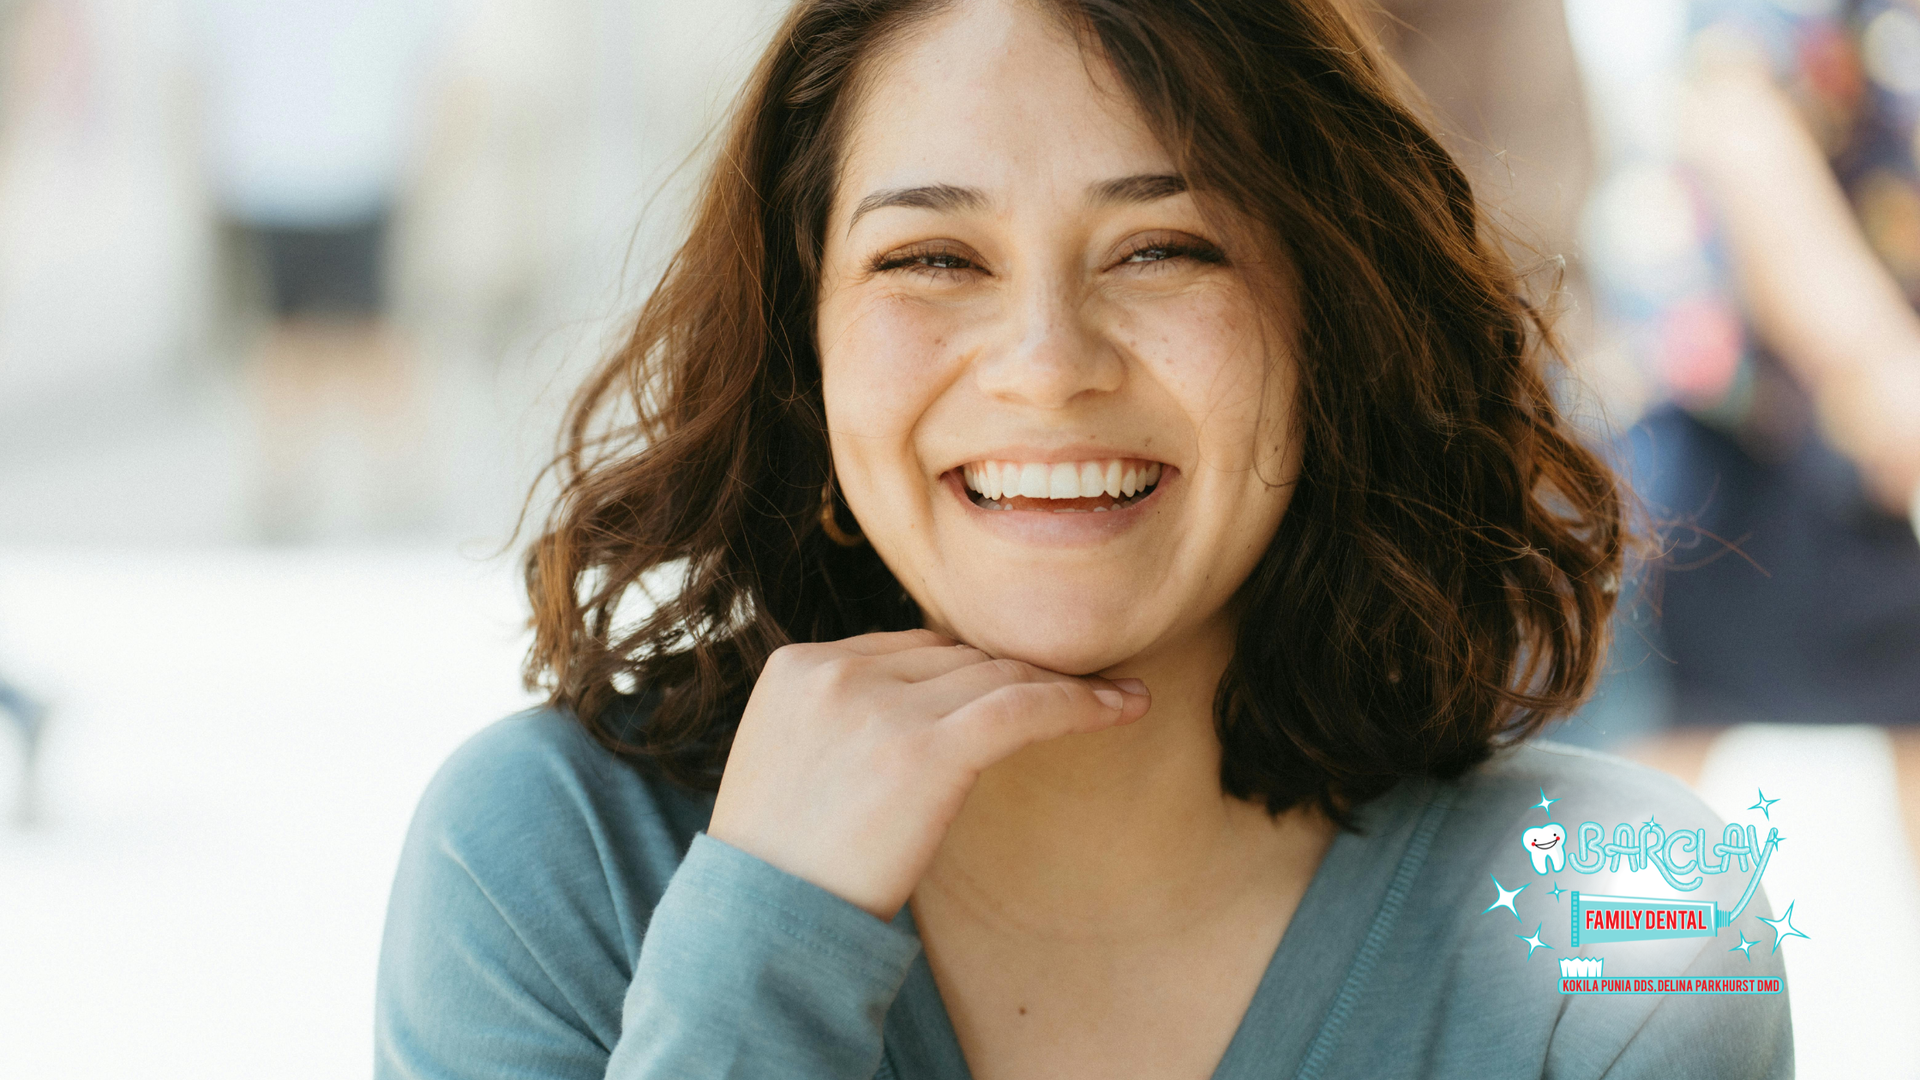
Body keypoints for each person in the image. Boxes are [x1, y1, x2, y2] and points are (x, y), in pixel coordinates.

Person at [375, 1, 1792, 1076]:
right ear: (806, 350)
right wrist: (763, 942)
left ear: (1332, 326)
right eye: (933, 259)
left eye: (1165, 249)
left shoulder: (1622, 921)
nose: (1047, 365)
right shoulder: (555, 858)